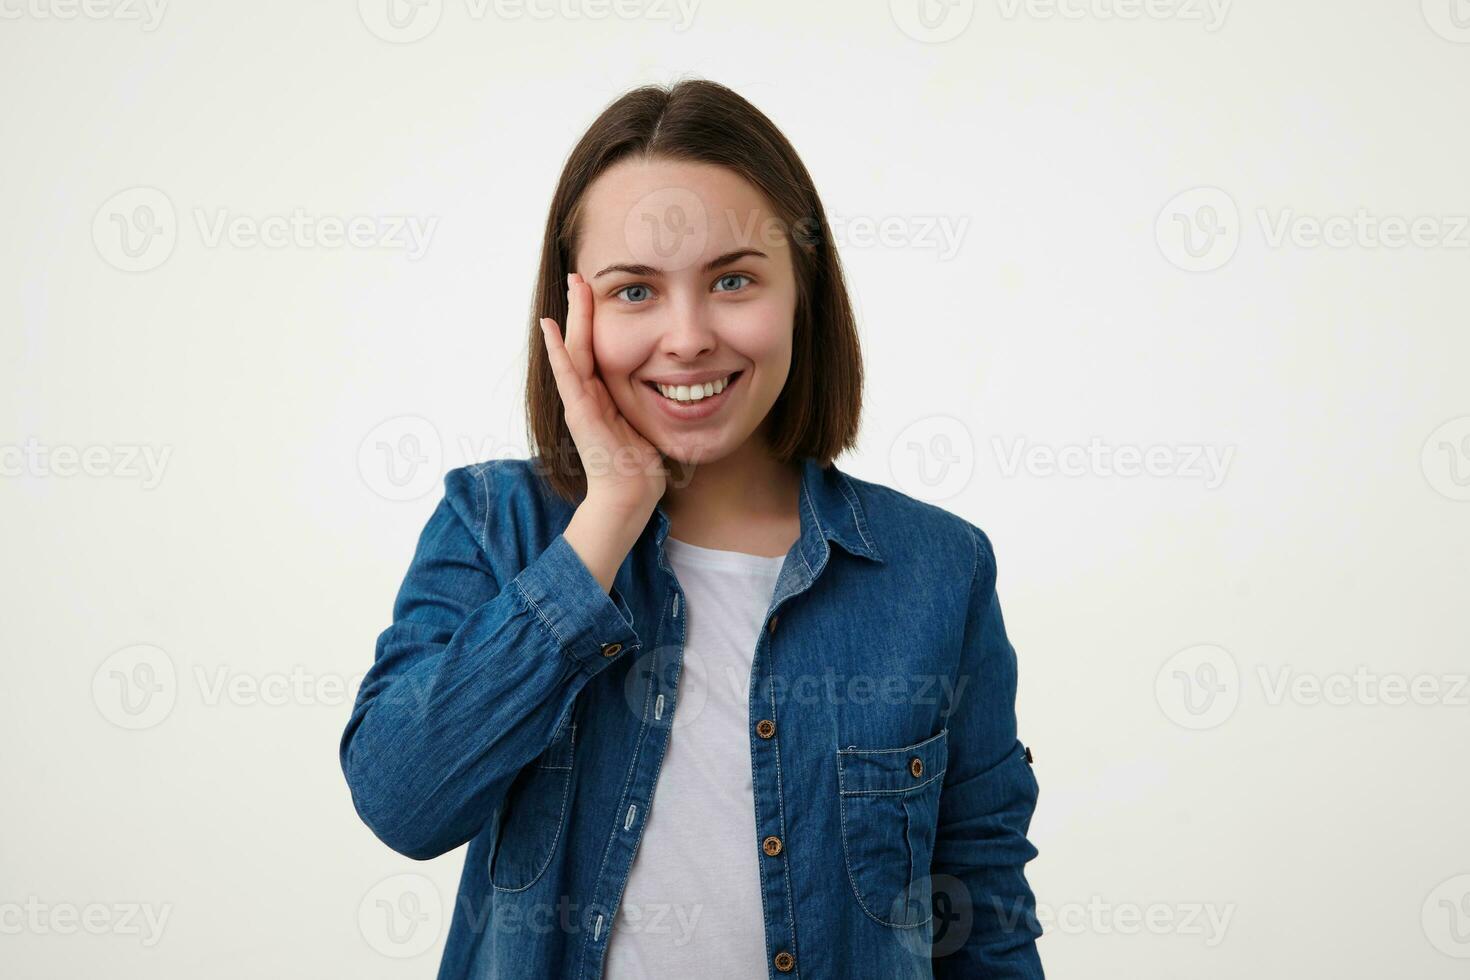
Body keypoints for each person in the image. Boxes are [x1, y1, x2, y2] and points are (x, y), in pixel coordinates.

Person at [340, 77, 1044, 980]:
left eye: (734, 280)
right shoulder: (493, 524)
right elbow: (404, 799)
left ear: (803, 293)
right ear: (571, 315)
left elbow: (981, 917)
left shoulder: (937, 571)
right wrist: (609, 516)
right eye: (635, 291)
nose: (687, 337)